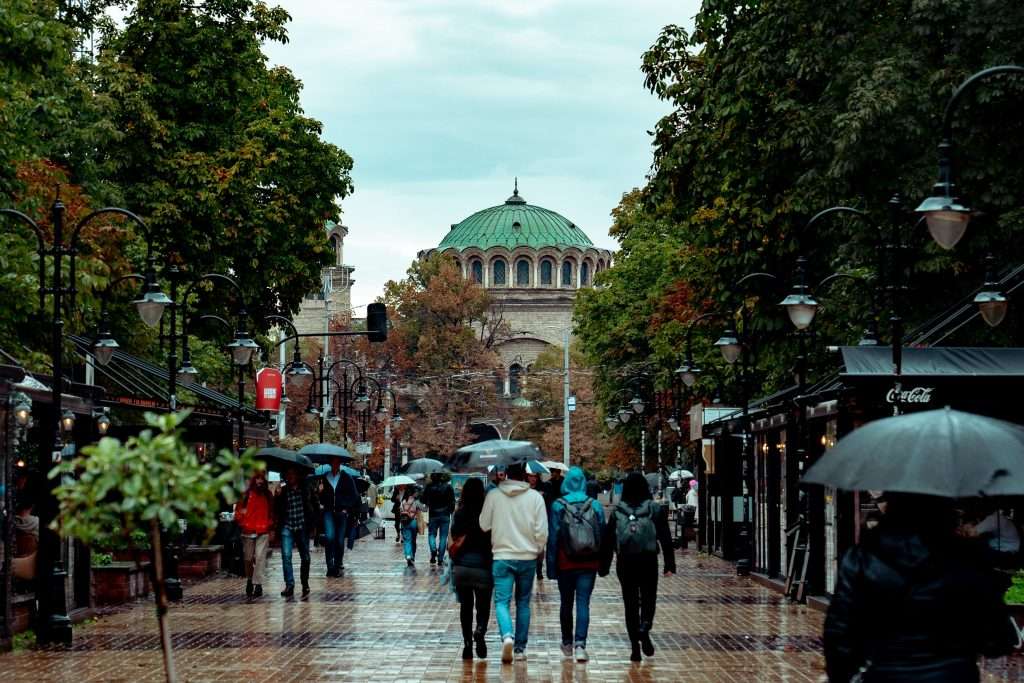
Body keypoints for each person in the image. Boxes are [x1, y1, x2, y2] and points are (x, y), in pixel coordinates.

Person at [825, 492, 1016, 682]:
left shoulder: (862, 559)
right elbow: (997, 639)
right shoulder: (967, 558)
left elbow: (840, 636)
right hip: (952, 675)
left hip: (888, 675)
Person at [600, 471, 676, 662]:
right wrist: (669, 564)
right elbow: (665, 538)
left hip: (626, 562)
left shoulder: (618, 511)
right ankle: (645, 626)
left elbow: (608, 540)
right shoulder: (654, 509)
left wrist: (604, 565)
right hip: (648, 560)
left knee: (630, 602)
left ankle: (635, 647)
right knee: (649, 598)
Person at [479, 461, 548, 663]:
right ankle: (520, 649)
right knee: (523, 603)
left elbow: (484, 525)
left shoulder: (493, 495)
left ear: (507, 474)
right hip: (527, 558)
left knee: (501, 601)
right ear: (525, 476)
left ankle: (507, 635)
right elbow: (542, 532)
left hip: (501, 556)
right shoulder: (536, 498)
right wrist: (537, 549)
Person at [547, 466, 604, 662]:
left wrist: (551, 567)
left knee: (566, 602)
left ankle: (567, 642)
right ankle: (581, 644)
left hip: (565, 562)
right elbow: (602, 536)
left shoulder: (558, 505)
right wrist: (603, 563)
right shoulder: (595, 505)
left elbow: (553, 538)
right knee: (583, 603)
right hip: (589, 563)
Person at [448, 477, 493, 660]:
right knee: (483, 605)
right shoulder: (487, 514)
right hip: (483, 566)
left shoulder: (460, 513)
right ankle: (480, 630)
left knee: (466, 607)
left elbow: (454, 535)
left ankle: (467, 642)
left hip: (462, 567)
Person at [274, 466, 317, 598]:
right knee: (286, 555)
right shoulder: (283, 491)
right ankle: (290, 585)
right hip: (287, 526)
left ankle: (305, 582)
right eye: (288, 474)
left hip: (302, 526)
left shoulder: (306, 489)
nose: (290, 477)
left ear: (297, 476)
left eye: (292, 474)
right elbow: (276, 510)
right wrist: (276, 496)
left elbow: (315, 506)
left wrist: (314, 525)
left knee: (305, 557)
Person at [234, 468, 274, 598]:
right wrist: (242, 522)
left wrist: (271, 526)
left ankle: (258, 584)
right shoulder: (245, 495)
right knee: (248, 558)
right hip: (248, 530)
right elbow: (239, 511)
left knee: (260, 557)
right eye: (257, 478)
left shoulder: (268, 495)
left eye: (262, 478)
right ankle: (250, 579)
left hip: (263, 530)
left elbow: (273, 512)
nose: (259, 481)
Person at [318, 457, 360, 576]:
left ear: (340, 464)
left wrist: (347, 508)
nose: (335, 464)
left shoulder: (346, 477)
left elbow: (354, 496)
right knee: (329, 537)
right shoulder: (325, 477)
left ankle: (337, 567)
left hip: (342, 513)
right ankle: (329, 566)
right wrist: (320, 491)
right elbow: (321, 499)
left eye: (337, 462)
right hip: (329, 511)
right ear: (330, 463)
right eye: (333, 462)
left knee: (339, 541)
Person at [422, 472, 456, 566]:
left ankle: (433, 550)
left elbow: (423, 500)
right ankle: (440, 558)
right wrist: (450, 511)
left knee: (431, 534)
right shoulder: (448, 487)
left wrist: (429, 502)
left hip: (433, 514)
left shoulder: (429, 487)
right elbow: (452, 501)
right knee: (443, 537)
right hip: (445, 515)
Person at [526, 471, 546, 580]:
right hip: (527, 521)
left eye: (535, 476)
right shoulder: (523, 489)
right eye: (530, 476)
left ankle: (538, 568)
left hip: (539, 520)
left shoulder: (543, 488)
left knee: (540, 547)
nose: (533, 479)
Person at [399, 485, 423, 566]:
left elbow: (400, 512)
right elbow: (424, 509)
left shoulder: (402, 502)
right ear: (413, 493)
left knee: (407, 540)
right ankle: (412, 556)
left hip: (404, 523)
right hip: (413, 522)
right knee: (413, 540)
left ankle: (408, 555)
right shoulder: (415, 501)